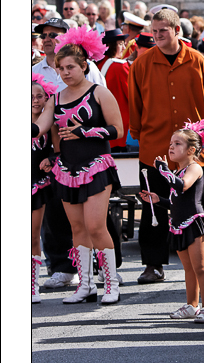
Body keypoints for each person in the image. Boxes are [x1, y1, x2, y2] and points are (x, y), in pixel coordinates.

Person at [32, 26, 124, 304]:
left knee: (96, 226)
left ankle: (111, 284)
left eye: (70, 67)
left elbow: (118, 130)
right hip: (67, 170)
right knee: (77, 229)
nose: (65, 72)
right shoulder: (56, 99)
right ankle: (85, 285)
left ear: (84, 66)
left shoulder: (99, 93)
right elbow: (39, 127)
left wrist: (85, 131)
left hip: (96, 166)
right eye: (61, 68)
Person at [128, 8, 204, 284]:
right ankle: (153, 264)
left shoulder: (199, 61)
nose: (157, 36)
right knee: (152, 207)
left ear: (177, 30)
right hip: (155, 147)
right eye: (153, 31)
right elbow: (135, 104)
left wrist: (203, 138)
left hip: (194, 151)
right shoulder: (141, 64)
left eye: (162, 31)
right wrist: (140, 134)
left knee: (200, 207)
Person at [139, 121, 204, 322]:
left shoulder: (195, 168)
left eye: (177, 144)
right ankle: (192, 305)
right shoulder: (177, 172)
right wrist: (158, 200)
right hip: (180, 224)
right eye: (170, 144)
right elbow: (177, 201)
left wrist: (164, 170)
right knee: (189, 269)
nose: (171, 147)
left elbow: (183, 186)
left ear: (191, 150)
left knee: (201, 267)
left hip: (195, 223)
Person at [31, 75, 59, 302]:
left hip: (37, 186)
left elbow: (58, 152)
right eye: (30, 96)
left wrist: (50, 159)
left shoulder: (51, 125)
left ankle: (32, 287)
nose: (34, 100)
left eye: (39, 96)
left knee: (33, 235)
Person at [97, 29, 130, 151]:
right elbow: (133, 96)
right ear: (110, 45)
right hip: (121, 129)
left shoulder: (96, 65)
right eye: (120, 44)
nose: (124, 47)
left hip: (102, 127)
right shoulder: (120, 66)